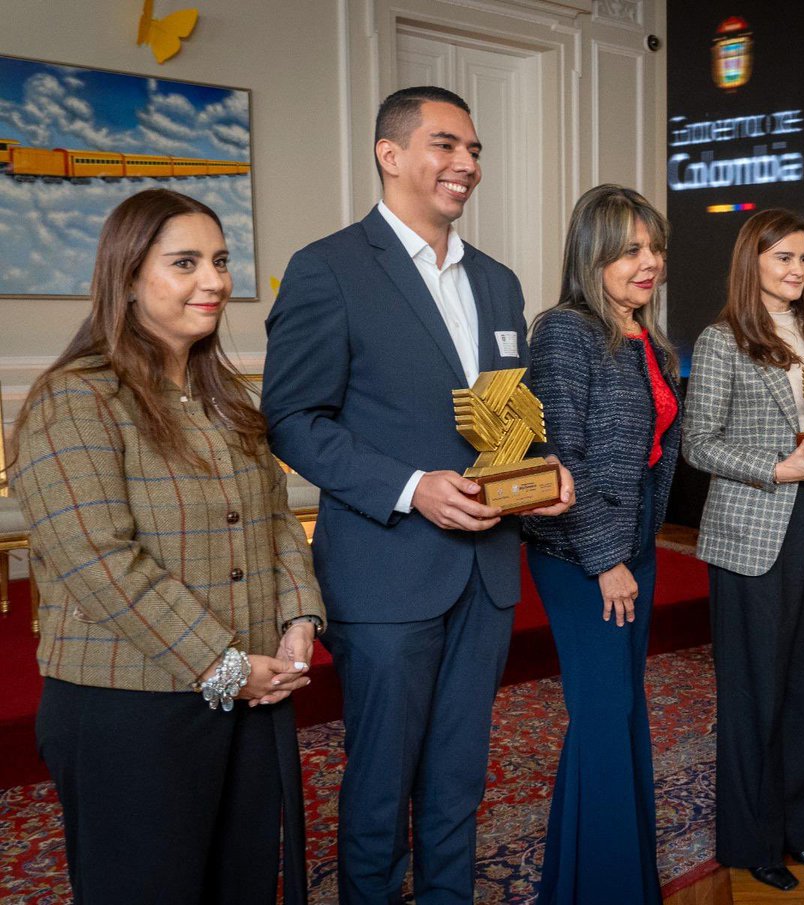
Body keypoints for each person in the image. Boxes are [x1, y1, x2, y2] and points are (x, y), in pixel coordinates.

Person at [261, 86, 573, 903]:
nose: (466, 164)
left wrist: (541, 471)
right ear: (389, 153)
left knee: (459, 774)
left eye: (474, 150)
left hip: (487, 573)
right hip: (386, 572)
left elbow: (506, 415)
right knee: (379, 781)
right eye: (446, 145)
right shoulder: (327, 267)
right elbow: (293, 418)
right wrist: (410, 487)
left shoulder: (500, 284)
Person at [10, 188, 324, 905]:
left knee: (241, 882)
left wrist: (299, 619)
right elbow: (101, 564)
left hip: (250, 694)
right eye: (185, 262)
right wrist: (223, 666)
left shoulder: (228, 401)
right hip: (129, 708)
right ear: (125, 279)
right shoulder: (75, 399)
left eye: (219, 260)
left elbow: (275, 522)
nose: (214, 281)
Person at [682, 209, 804, 892]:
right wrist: (775, 466)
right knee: (755, 692)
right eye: (783, 257)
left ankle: (800, 830)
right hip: (757, 527)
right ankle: (751, 841)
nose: (797, 269)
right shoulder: (723, 338)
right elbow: (697, 443)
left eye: (803, 258)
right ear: (751, 262)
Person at [522, 184, 680, 905]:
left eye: (654, 248)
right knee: (603, 714)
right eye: (630, 250)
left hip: (634, 546)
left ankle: (601, 882)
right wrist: (607, 559)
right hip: (584, 558)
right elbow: (562, 454)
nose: (649, 263)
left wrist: (633, 550)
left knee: (619, 712)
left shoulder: (648, 334)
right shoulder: (564, 330)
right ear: (594, 255)